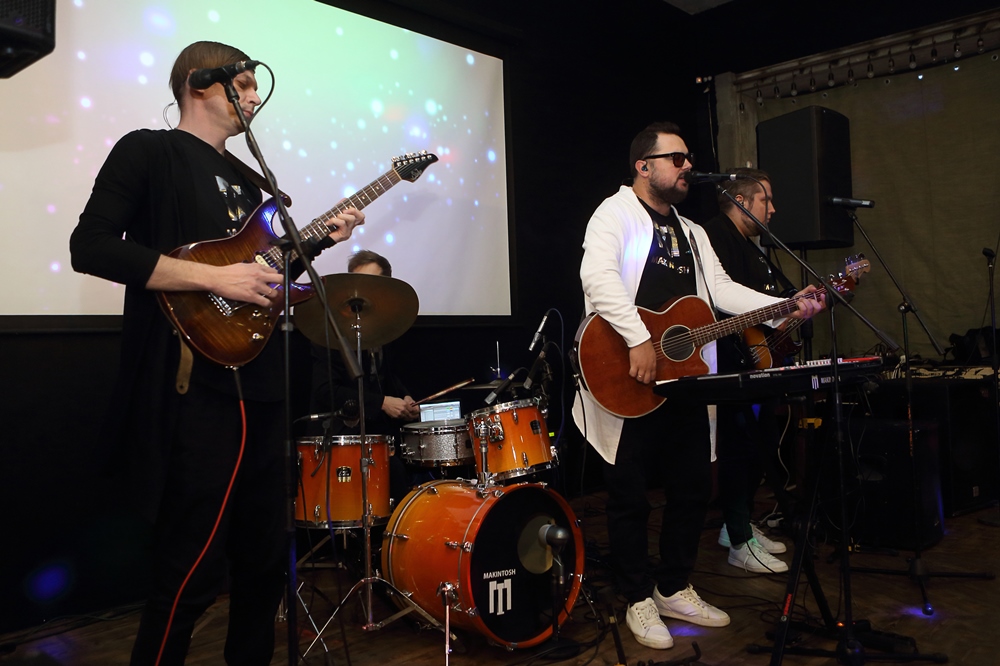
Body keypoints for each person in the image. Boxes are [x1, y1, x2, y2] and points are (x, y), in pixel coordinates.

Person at [69, 41, 364, 665]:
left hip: (264, 381)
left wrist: (316, 247)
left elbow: (261, 279)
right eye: (244, 85)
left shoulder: (255, 181)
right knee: (190, 565)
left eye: (256, 87)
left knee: (264, 561)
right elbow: (89, 246)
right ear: (199, 83)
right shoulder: (149, 151)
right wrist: (212, 278)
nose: (255, 98)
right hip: (194, 384)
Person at [571, 122, 824, 650]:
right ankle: (636, 597)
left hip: (685, 380)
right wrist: (639, 338)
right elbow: (598, 279)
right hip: (626, 374)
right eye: (677, 158)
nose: (688, 166)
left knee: (690, 488)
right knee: (629, 496)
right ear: (644, 166)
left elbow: (723, 290)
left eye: (688, 158)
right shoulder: (613, 213)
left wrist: (785, 308)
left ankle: (672, 587)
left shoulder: (692, 232)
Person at [701, 168, 798, 575]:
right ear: (740, 202)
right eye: (765, 200)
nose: (772, 209)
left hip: (755, 362)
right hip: (731, 361)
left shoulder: (753, 247)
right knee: (739, 448)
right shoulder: (714, 236)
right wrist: (783, 310)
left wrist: (800, 303)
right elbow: (725, 300)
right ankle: (739, 539)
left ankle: (735, 528)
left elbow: (773, 299)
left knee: (759, 445)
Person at [309, 250, 419, 501]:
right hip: (338, 441)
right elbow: (326, 391)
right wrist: (382, 403)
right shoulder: (329, 333)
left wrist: (405, 398)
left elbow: (385, 376)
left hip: (377, 439)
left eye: (371, 285)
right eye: (357, 284)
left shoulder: (386, 330)